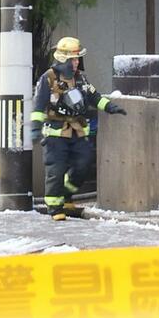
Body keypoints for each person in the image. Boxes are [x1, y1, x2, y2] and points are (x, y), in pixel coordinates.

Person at [31, 36, 127, 221]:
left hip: (77, 131)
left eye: (77, 59)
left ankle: (66, 193)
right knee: (56, 170)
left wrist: (111, 107)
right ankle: (55, 207)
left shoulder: (81, 79)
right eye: (73, 59)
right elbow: (39, 106)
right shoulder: (48, 79)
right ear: (63, 59)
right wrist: (35, 127)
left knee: (83, 164)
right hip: (55, 134)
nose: (76, 62)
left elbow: (95, 96)